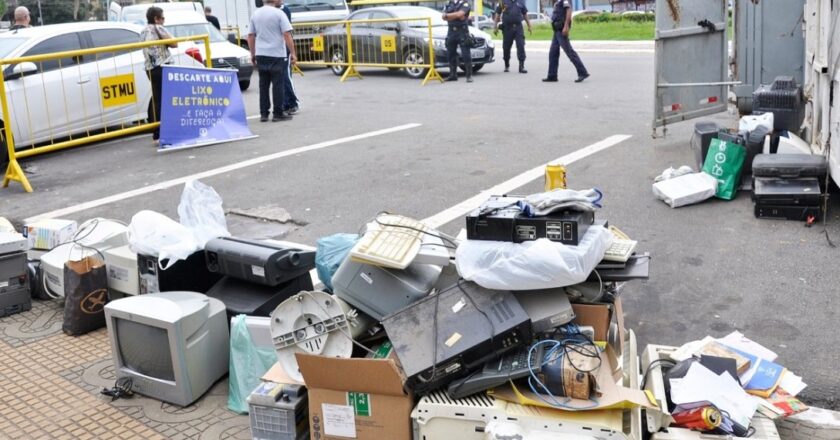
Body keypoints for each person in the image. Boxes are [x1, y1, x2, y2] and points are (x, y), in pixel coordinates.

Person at [248, 0, 297, 122]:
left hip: (261, 53)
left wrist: (253, 54)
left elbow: (250, 36)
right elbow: (287, 34)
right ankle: (277, 113)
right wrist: (293, 53)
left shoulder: (255, 14)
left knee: (263, 85)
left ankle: (264, 114)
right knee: (277, 85)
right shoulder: (279, 14)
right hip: (276, 54)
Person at [140, 7, 177, 146]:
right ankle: (165, 132)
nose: (163, 21)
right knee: (166, 100)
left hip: (150, 69)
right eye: (162, 18)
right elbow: (174, 43)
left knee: (157, 100)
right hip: (162, 67)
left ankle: (157, 134)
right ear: (156, 18)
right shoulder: (158, 28)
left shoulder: (143, 31)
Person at [543, 0, 589, 83]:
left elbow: (569, 10)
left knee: (569, 52)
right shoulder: (557, 2)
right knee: (553, 53)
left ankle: (583, 72)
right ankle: (552, 75)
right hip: (556, 30)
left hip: (561, 30)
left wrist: (566, 26)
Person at [493, 0, 531, 73]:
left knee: (521, 45)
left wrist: (529, 25)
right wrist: (495, 27)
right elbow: (497, 14)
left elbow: (525, 14)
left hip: (518, 27)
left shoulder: (521, 2)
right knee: (506, 47)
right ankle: (506, 64)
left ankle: (521, 66)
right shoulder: (503, 1)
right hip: (507, 28)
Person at [277, 0, 299, 114]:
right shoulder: (269, 10)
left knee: (286, 77)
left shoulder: (284, 10)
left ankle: (293, 102)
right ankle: (285, 103)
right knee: (279, 78)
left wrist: (292, 52)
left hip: (284, 49)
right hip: (275, 50)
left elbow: (286, 33)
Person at [442, 0, 472, 83]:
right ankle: (453, 75)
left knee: (466, 53)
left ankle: (469, 75)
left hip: (462, 31)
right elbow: (443, 17)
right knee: (450, 53)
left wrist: (448, 15)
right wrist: (456, 15)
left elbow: (460, 14)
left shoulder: (465, 3)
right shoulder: (448, 3)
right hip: (451, 31)